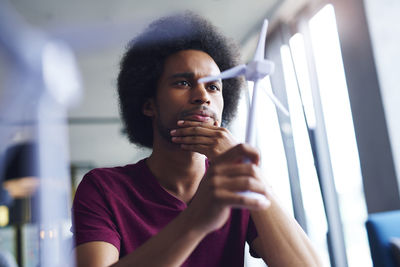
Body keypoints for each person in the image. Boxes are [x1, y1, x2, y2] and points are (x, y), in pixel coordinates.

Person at [72, 12, 322, 267]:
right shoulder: (105, 188)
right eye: (183, 82)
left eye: (214, 86)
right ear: (149, 105)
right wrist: (195, 220)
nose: (202, 96)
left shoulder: (235, 184)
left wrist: (252, 175)